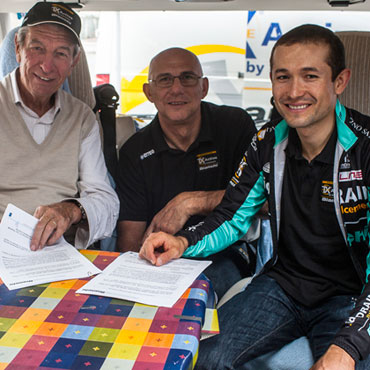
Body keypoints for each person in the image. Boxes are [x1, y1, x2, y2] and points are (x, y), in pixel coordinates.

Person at [139, 24, 370, 369]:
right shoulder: (266, 143)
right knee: (201, 357)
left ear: (339, 81)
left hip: (352, 297)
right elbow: (232, 216)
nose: (294, 91)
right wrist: (182, 243)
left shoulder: (365, 148)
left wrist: (348, 347)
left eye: (310, 76)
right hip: (283, 287)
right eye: (283, 77)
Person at [116, 47, 257, 297]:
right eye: (165, 79)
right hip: (160, 259)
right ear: (149, 92)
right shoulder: (134, 152)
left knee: (197, 295)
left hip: (223, 253)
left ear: (203, 87)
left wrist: (190, 202)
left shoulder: (234, 126)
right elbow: (130, 243)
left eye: (187, 78)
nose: (177, 88)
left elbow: (264, 199)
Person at [0, 2, 119, 251]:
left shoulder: (82, 118)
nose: (47, 66)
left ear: (74, 61)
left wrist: (71, 210)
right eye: (37, 48)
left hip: (60, 254)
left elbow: (105, 200)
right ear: (18, 49)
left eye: (61, 53)